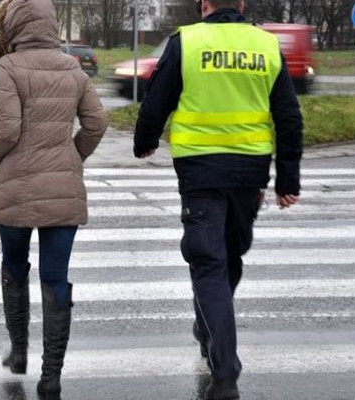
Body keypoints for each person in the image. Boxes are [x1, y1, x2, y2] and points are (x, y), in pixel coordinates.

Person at [133, 0, 303, 399]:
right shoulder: (265, 45)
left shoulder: (187, 42)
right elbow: (290, 118)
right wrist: (287, 181)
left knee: (211, 264)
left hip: (201, 172)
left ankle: (222, 368)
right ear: (242, 4)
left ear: (204, 4)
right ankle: (220, 357)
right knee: (225, 257)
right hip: (249, 174)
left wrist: (144, 143)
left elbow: (157, 100)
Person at [0, 0, 107, 397]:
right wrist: (73, 155)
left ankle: (18, 352)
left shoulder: (9, 67)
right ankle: (50, 376)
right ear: (51, 24)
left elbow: (6, 130)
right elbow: (97, 122)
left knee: (15, 265)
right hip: (61, 190)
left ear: (14, 25)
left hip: (16, 186)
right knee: (55, 278)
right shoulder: (72, 68)